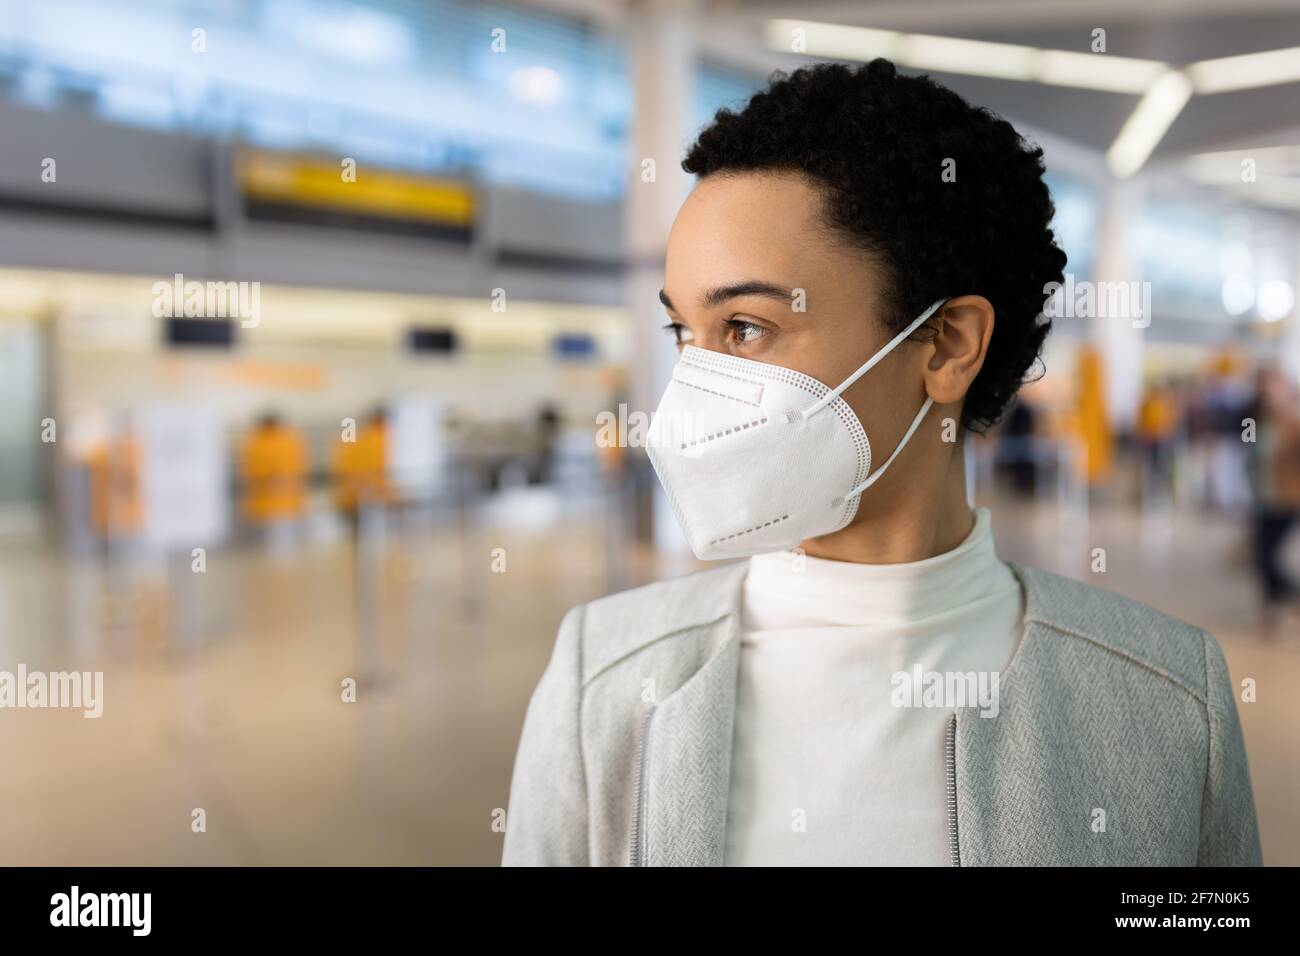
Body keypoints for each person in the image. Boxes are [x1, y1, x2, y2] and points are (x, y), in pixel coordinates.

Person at [502, 61, 1261, 866]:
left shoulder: (1169, 701)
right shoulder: (606, 677)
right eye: (682, 333)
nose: (693, 385)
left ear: (947, 345)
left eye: (747, 328)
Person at [1244, 365, 1300, 628]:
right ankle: (1269, 607)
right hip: (1263, 496)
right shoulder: (1258, 419)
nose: (1267, 392)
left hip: (1287, 498)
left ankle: (1289, 598)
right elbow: (1253, 453)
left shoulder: (1293, 421)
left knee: (1273, 556)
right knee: (1260, 555)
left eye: (1272, 386)